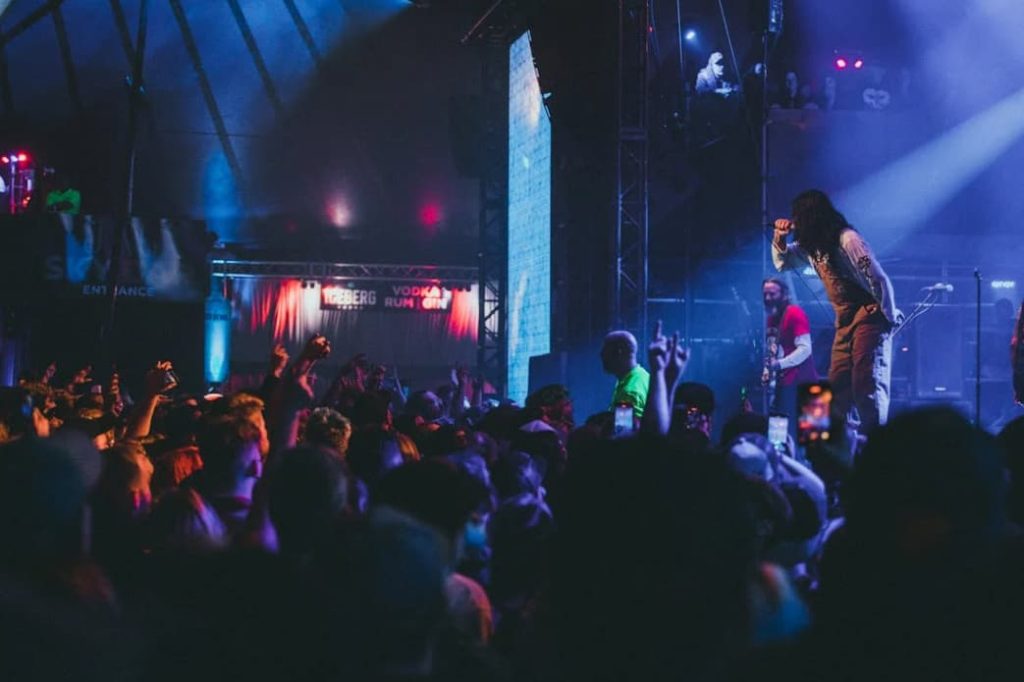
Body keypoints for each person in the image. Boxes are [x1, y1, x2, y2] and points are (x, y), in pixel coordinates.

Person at [773, 190, 899, 435]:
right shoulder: (811, 248)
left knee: (866, 381)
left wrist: (888, 316)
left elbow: (878, 278)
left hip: (869, 314)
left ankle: (876, 442)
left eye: (799, 217)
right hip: (844, 320)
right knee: (836, 383)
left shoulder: (848, 240)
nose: (795, 222)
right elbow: (783, 263)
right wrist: (779, 237)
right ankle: (827, 445)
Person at [762, 277, 818, 416]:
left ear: (784, 294)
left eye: (772, 294)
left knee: (808, 432)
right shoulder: (771, 319)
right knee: (779, 429)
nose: (768, 298)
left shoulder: (795, 313)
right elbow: (772, 349)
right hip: (784, 383)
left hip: (801, 382)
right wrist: (767, 371)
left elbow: (805, 349)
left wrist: (779, 364)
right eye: (765, 294)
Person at [600, 330, 649, 419]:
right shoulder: (642, 375)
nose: (601, 356)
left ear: (619, 352)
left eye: (605, 352)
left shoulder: (629, 393)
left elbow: (623, 430)